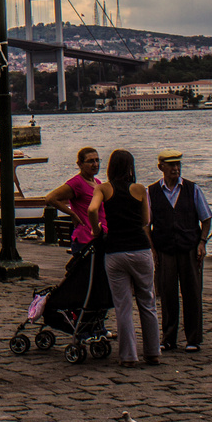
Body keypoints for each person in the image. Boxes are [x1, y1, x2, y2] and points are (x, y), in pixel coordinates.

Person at [89, 149, 161, 368]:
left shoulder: (103, 188)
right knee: (147, 302)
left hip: (115, 250)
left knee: (123, 306)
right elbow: (145, 221)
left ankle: (128, 356)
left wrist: (96, 230)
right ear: (131, 167)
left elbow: (92, 209)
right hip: (140, 249)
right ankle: (152, 352)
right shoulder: (139, 189)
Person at [149, 150, 212, 353]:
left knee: (192, 293)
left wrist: (202, 242)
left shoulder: (192, 189)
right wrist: (153, 250)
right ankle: (169, 338)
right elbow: (146, 224)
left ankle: (193, 338)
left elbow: (206, 218)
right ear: (161, 167)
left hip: (189, 249)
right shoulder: (152, 192)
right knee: (167, 294)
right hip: (165, 249)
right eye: (171, 165)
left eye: (178, 164)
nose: (176, 168)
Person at [43, 146, 108, 250]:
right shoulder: (77, 183)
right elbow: (51, 198)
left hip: (100, 237)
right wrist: (72, 213)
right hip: (85, 238)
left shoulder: (98, 183)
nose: (95, 164)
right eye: (90, 161)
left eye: (97, 160)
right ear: (80, 164)